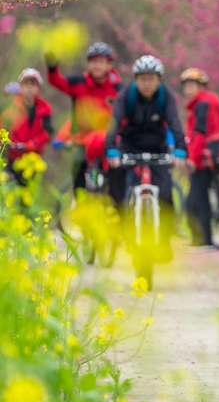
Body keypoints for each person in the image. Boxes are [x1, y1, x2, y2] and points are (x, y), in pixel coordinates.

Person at [105, 55, 187, 262]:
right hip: (129, 146)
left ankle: (165, 238)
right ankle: (125, 227)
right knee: (123, 185)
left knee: (166, 194)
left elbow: (175, 123)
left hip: (157, 148)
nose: (147, 83)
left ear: (159, 79)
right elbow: (113, 122)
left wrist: (180, 148)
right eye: (142, 79)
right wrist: (111, 148)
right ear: (135, 79)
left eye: (151, 78)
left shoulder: (165, 96)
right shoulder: (127, 96)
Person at [45, 42, 124, 202]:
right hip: (81, 137)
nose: (97, 65)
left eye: (101, 61)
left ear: (109, 64)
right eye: (93, 61)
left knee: (114, 172)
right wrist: (52, 68)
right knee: (78, 166)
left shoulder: (118, 89)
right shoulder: (78, 82)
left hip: (106, 140)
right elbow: (57, 82)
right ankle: (80, 204)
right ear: (88, 63)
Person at [181, 68, 219, 247]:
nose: (188, 89)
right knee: (211, 193)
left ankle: (203, 239)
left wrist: (192, 158)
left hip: (204, 155)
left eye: (192, 85)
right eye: (186, 86)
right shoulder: (214, 99)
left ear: (201, 86)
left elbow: (199, 132)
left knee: (195, 199)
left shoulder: (201, 103)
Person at [1, 69, 53, 185]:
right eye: (26, 84)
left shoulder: (45, 108)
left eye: (33, 84)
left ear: (38, 88)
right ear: (21, 87)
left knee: (27, 193)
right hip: (11, 156)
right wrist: (8, 142)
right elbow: (3, 127)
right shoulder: (12, 106)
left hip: (32, 159)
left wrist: (34, 143)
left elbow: (48, 132)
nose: (29, 88)